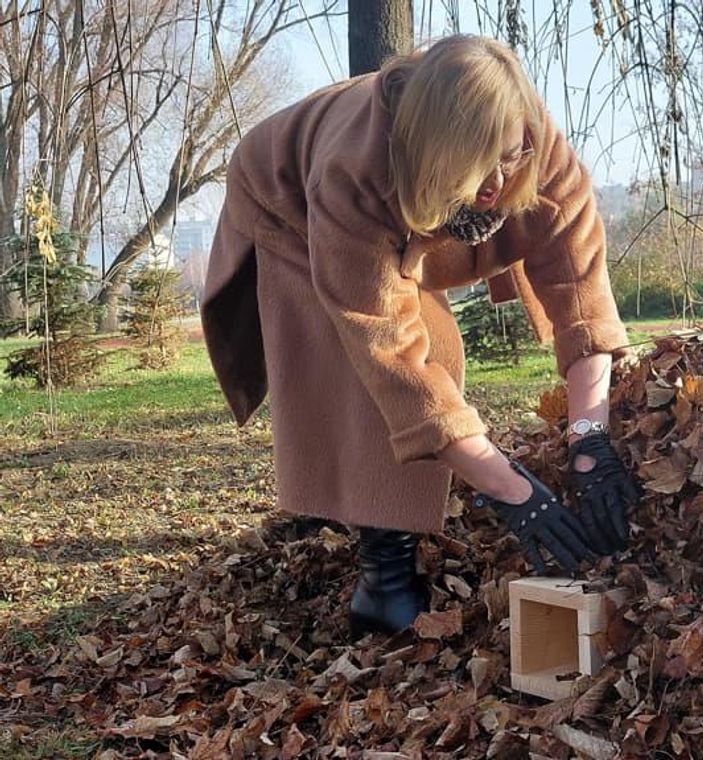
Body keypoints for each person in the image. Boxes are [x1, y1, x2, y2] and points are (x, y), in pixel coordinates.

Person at [200, 34, 640, 639]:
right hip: (286, 203)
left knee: (436, 349)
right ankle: (384, 579)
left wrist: (589, 443)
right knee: (420, 355)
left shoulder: (539, 151)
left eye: (506, 158)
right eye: (477, 168)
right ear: (436, 155)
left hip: (413, 206)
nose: (496, 183)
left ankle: (378, 512)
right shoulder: (353, 174)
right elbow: (390, 353)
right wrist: (515, 493)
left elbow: (582, 292)